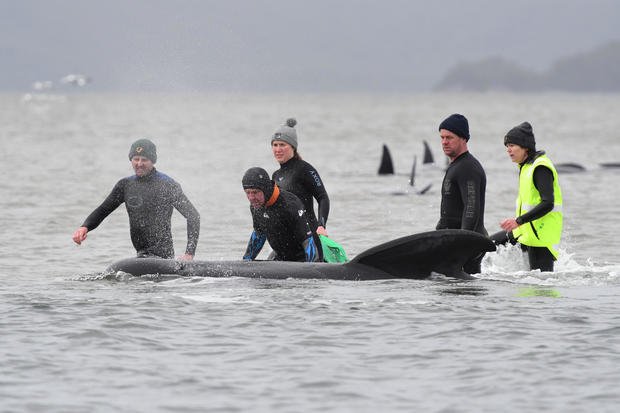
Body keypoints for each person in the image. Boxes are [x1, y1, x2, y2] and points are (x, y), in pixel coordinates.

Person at [72, 138, 200, 260]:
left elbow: (193, 216)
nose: (139, 164)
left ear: (153, 161)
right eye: (136, 159)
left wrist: (189, 254)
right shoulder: (125, 185)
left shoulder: (167, 185)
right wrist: (85, 227)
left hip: (163, 258)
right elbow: (103, 210)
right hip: (140, 256)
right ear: (131, 160)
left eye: (144, 159)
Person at [491, 122, 563, 272]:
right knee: (487, 244)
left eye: (511, 145)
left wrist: (518, 221)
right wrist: (519, 223)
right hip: (525, 231)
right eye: (506, 146)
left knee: (540, 286)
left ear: (525, 147)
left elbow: (548, 203)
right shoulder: (526, 166)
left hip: (541, 237)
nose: (508, 150)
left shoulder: (540, 167)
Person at [436, 114, 488, 274]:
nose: (444, 142)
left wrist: (462, 244)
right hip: (456, 243)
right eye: (442, 137)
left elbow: (471, 208)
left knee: (464, 294)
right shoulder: (457, 165)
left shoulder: (467, 168)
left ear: (463, 139)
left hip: (466, 246)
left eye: (449, 137)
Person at [242, 167, 321, 262]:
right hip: (281, 259)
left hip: (303, 260)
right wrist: (246, 261)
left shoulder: (290, 204)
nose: (251, 198)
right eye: (248, 193)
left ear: (266, 189)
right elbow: (259, 234)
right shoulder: (256, 206)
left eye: (255, 192)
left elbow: (308, 241)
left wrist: (310, 268)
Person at [270, 118, 330, 237]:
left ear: (293, 147)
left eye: (282, 145)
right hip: (289, 238)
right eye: (275, 145)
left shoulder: (304, 169)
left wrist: (321, 226)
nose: (278, 149)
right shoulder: (275, 176)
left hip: (309, 234)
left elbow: (323, 197)